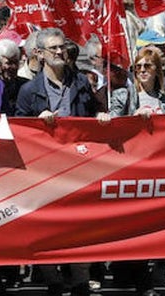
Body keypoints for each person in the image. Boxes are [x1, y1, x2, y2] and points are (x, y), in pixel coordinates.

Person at [15, 27, 106, 296]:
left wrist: (101, 117)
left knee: (79, 227)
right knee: (47, 227)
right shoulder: (28, 91)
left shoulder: (81, 83)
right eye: (53, 48)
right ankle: (53, 279)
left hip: (78, 166)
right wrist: (36, 123)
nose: (59, 52)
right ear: (39, 54)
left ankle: (80, 281)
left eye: (62, 47)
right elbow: (19, 128)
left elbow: (93, 117)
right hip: (44, 169)